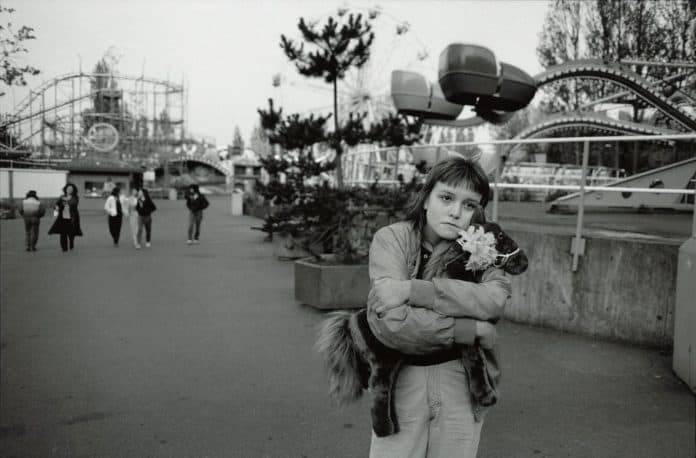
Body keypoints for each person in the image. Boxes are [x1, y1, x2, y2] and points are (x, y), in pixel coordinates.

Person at [365, 157, 511, 458]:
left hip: (462, 379)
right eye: (446, 197)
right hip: (402, 380)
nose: (456, 212)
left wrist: (412, 290)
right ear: (427, 197)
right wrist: (471, 328)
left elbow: (493, 300)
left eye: (469, 205)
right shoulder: (392, 238)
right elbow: (392, 323)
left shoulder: (484, 246)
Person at [48, 183, 83, 252]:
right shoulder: (61, 197)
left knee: (71, 233)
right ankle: (64, 247)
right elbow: (56, 205)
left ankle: (71, 242)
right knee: (63, 233)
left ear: (73, 190)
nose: (69, 190)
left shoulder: (75, 197)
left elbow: (74, 204)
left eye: (71, 189)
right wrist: (56, 208)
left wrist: (65, 202)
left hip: (72, 218)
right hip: (63, 218)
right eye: (68, 189)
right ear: (65, 189)